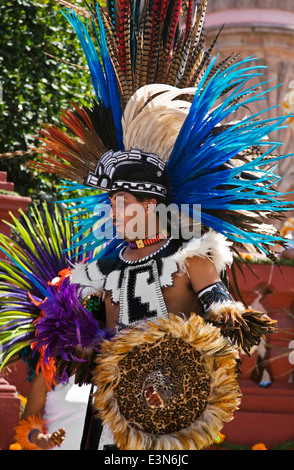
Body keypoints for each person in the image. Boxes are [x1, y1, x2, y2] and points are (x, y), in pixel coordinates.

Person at [3, 0, 293, 450]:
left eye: (122, 202)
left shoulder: (190, 253)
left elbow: (216, 300)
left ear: (153, 204)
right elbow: (80, 308)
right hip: (112, 395)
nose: (114, 211)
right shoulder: (111, 258)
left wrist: (229, 315)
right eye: (111, 202)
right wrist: (65, 327)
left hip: (170, 397)